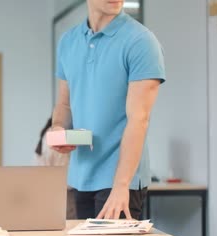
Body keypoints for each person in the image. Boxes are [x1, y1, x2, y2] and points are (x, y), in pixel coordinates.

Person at [51, 0, 166, 220]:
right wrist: (58, 129)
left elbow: (139, 119)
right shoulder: (68, 42)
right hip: (81, 177)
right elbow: (64, 104)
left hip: (121, 182)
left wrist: (121, 186)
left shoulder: (141, 41)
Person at [34, 117, 76, 219]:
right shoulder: (60, 138)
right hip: (63, 192)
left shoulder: (45, 136)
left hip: (46, 189)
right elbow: (64, 169)